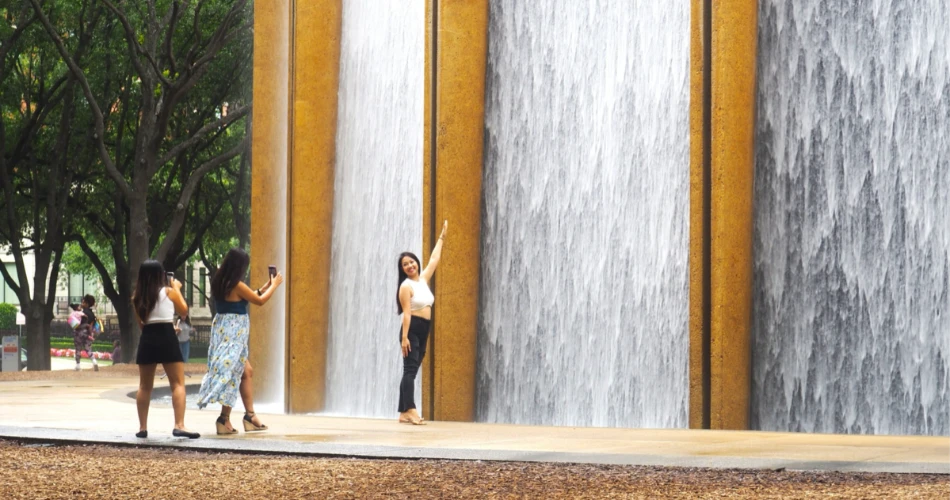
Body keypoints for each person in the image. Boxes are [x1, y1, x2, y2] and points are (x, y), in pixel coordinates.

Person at [197, 248, 283, 435]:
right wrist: (275, 285)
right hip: (233, 336)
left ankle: (247, 417)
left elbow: (250, 295)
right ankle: (226, 419)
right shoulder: (236, 284)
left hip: (224, 333)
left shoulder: (221, 282)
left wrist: (266, 285)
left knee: (245, 372)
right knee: (233, 373)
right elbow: (259, 301)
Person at [132, 260, 199, 439]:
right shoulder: (169, 292)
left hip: (148, 337)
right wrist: (176, 287)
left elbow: (142, 324)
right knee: (177, 383)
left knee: (144, 386)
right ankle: (179, 424)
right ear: (160, 275)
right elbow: (184, 311)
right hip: (167, 335)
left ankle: (142, 427)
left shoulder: (137, 297)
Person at [396, 220, 447, 425]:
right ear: (402, 269)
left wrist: (442, 236)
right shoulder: (405, 286)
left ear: (416, 262)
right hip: (412, 328)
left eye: (411, 262)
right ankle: (411, 410)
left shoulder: (423, 280)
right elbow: (406, 314)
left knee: (413, 369)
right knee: (409, 369)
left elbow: (434, 259)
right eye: (405, 265)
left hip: (424, 328)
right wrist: (405, 338)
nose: (410, 266)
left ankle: (403, 412)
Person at [74, 296, 98, 372]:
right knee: (88, 348)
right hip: (89, 334)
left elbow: (76, 323)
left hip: (80, 333)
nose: (82, 303)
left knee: (78, 348)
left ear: (87, 304)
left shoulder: (82, 313)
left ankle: (78, 365)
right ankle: (94, 361)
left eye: (83, 302)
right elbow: (93, 324)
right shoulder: (92, 314)